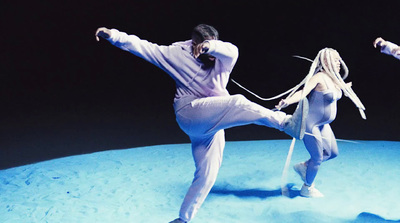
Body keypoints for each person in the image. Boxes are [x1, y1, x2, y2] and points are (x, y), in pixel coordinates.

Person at [95, 24, 308, 223]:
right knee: (238, 101)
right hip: (190, 112)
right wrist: (111, 34)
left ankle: (183, 218)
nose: (209, 54)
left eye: (212, 46)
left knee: (207, 173)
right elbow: (142, 46)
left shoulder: (224, 56)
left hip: (213, 119)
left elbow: (232, 50)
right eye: (201, 45)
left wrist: (209, 47)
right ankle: (286, 123)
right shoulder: (175, 54)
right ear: (192, 43)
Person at [275, 48, 366, 198]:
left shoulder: (334, 79)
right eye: (335, 60)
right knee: (317, 158)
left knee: (332, 153)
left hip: (324, 125)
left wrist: (345, 87)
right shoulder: (318, 77)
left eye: (339, 60)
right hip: (312, 125)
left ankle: (304, 166)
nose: (339, 63)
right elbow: (303, 92)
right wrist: (287, 101)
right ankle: (306, 188)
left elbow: (338, 90)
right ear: (325, 62)